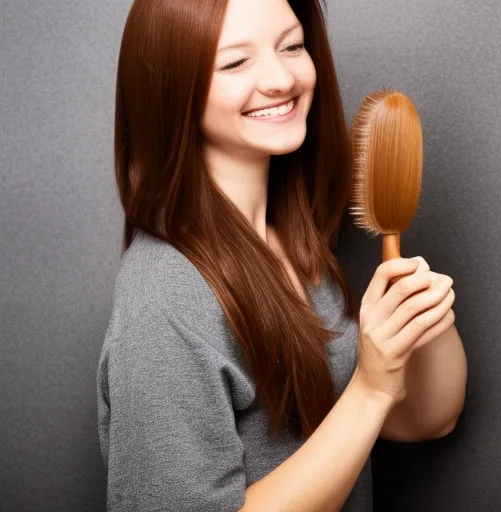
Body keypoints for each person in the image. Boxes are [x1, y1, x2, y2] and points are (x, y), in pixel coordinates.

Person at [96, 0, 463, 510]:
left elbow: (424, 419)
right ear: (172, 89)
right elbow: (369, 403)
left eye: (291, 46)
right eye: (235, 62)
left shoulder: (297, 246)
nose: (281, 78)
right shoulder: (165, 299)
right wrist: (371, 389)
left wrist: (426, 324)